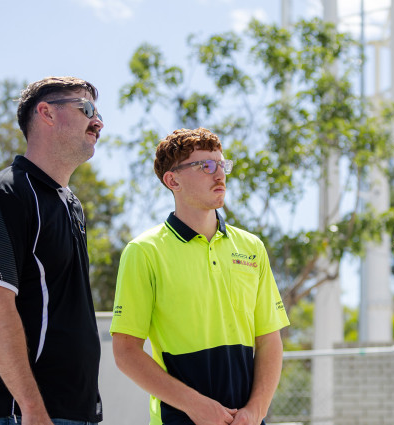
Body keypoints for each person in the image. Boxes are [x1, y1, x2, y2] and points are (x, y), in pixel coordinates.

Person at [110, 127, 289, 425]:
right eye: (206, 166)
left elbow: (269, 340)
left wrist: (255, 411)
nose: (219, 174)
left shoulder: (251, 247)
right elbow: (126, 352)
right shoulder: (143, 252)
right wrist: (196, 406)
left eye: (222, 164)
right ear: (173, 180)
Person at [0, 76, 105, 425]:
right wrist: (33, 409)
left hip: (75, 414)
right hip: (23, 416)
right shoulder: (4, 197)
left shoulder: (71, 205)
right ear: (46, 114)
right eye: (86, 109)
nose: (98, 122)